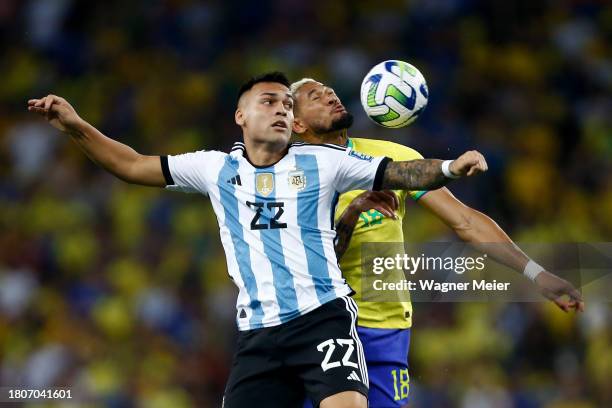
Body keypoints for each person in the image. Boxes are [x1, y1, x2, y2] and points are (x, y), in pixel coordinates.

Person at [27, 72, 487, 408]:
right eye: (270, 102)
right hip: (259, 333)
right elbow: (130, 165)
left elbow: (401, 172)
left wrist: (449, 168)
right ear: (240, 116)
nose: (282, 111)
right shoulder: (214, 169)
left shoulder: (323, 164)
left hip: (323, 318)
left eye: (287, 106)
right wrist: (76, 126)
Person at [290, 78, 585, 408]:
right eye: (315, 97)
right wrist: (353, 213)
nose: (329, 95)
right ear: (296, 123)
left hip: (385, 331)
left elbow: (466, 221)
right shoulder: (288, 179)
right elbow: (309, 264)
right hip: (320, 327)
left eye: (329, 91)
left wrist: (537, 274)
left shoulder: (390, 158)